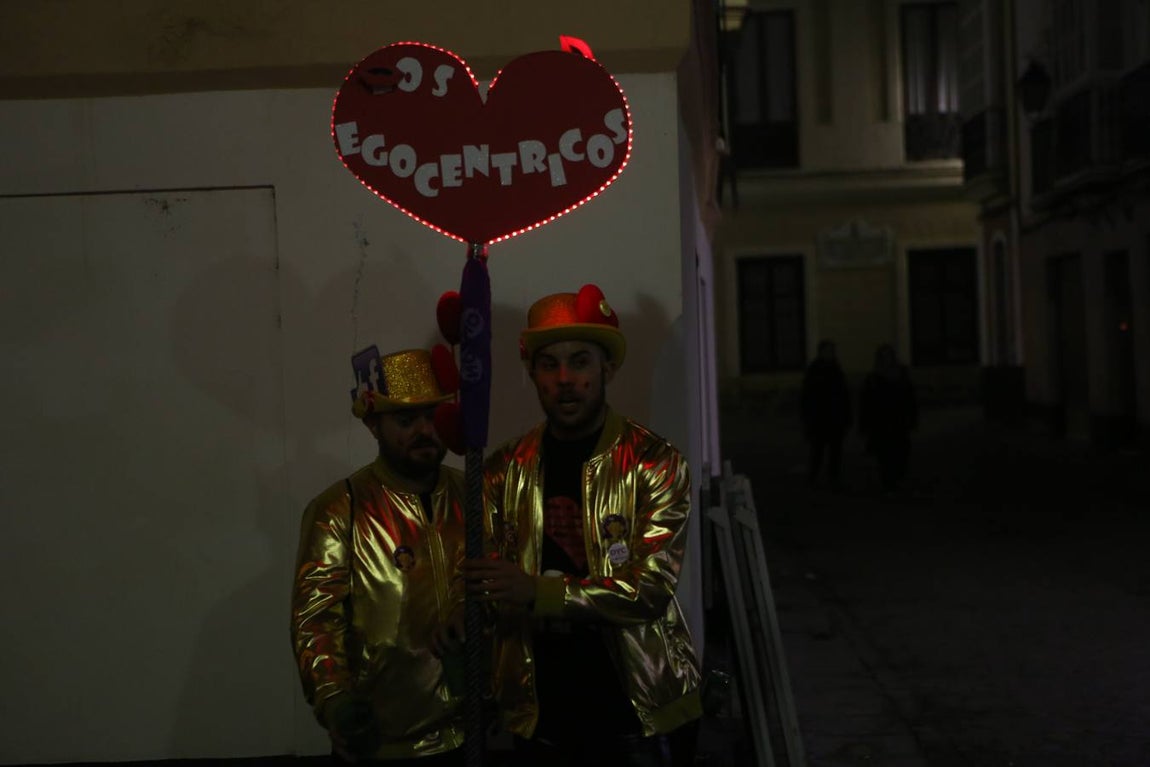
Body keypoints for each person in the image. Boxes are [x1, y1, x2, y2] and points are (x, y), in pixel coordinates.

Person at [463, 285, 703, 767]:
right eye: (549, 364)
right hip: (538, 712)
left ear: (607, 369)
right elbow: (485, 582)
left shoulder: (654, 463)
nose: (566, 379)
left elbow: (649, 589)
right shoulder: (502, 469)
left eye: (580, 362)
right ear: (532, 373)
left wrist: (539, 592)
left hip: (636, 707)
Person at [291, 347, 468, 766]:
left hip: (469, 735)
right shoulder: (341, 509)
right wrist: (336, 702)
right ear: (374, 425)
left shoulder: (471, 495)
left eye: (432, 416)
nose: (425, 430)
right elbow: (316, 621)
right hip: (381, 745)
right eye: (406, 421)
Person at [858, 343, 918, 495]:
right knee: (884, 454)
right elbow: (866, 403)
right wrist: (865, 424)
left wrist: (912, 418)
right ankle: (889, 482)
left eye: (889, 356)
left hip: (898, 421)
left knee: (901, 453)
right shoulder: (873, 378)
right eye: (883, 356)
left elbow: (910, 399)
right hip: (881, 423)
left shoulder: (901, 376)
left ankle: (895, 479)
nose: (886, 360)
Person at [800, 339, 852, 489]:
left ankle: (832, 477)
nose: (831, 354)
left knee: (835, 451)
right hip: (820, 419)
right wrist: (808, 418)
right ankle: (814, 476)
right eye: (828, 351)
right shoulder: (815, 371)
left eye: (832, 351)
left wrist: (846, 416)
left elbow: (843, 395)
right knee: (818, 450)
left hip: (835, 418)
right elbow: (808, 397)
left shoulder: (836, 369)